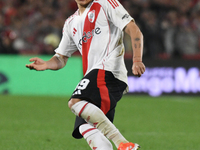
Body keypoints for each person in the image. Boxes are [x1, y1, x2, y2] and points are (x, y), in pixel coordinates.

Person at [26, 0, 145, 149]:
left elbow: (134, 29)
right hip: (95, 75)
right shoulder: (71, 23)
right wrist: (46, 64)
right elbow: (61, 58)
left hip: (108, 71)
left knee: (75, 102)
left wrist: (137, 59)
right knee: (84, 127)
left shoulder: (105, 3)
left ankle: (122, 142)